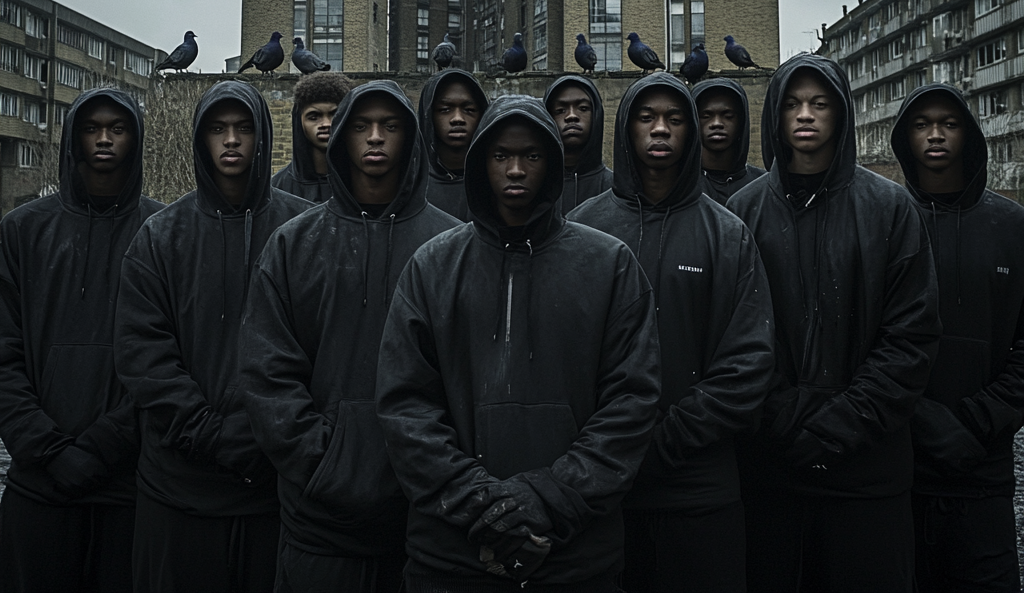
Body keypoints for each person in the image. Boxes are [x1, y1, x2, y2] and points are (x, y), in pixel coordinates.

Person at [376, 95, 661, 591]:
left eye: (530, 156)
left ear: (551, 162)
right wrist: (481, 505)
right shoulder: (432, 266)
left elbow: (631, 404)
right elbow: (406, 407)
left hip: (575, 556)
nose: (514, 170)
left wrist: (547, 498)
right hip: (452, 555)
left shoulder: (609, 265)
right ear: (480, 162)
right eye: (500, 156)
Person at [726, 54, 940, 593]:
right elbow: (732, 340)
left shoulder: (890, 208)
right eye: (793, 104)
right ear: (774, 115)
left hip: (868, 477)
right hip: (773, 474)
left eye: (820, 103)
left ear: (841, 114)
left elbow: (910, 339)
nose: (805, 115)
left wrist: (841, 424)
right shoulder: (741, 212)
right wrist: (784, 418)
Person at [239, 80, 459, 592]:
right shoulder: (293, 244)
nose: (376, 138)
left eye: (391, 126)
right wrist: (326, 467)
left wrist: (434, 473)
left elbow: (469, 377)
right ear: (340, 136)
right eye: (361, 126)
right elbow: (267, 374)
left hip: (426, 517)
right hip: (319, 521)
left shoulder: (452, 246)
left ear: (411, 137)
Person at [568, 74, 774, 593]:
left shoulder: (727, 233)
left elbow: (748, 362)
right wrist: (606, 448)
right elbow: (559, 355)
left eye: (675, 119)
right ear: (625, 127)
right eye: (646, 117)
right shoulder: (581, 228)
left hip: (699, 493)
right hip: (602, 492)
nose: (660, 129)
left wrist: (666, 441)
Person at [114, 80, 311, 593]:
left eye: (243, 128)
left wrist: (269, 433)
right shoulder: (160, 236)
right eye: (218, 129)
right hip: (177, 489)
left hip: (273, 489)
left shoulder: (302, 231)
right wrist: (207, 432)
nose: (231, 140)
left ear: (262, 137)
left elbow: (317, 347)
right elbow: (143, 354)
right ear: (200, 139)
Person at [0, 89, 163, 593]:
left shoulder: (161, 232)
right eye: (92, 128)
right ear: (74, 138)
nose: (104, 139)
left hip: (128, 489)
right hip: (38, 485)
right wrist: (48, 449)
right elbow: (4, 354)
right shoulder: (22, 230)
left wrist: (103, 446)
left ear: (134, 139)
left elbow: (168, 363)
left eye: (118, 128)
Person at [890, 83, 1024, 593]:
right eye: (922, 125)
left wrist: (977, 422)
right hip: (899, 467)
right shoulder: (886, 221)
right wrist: (921, 420)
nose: (936, 135)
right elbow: (866, 343)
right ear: (906, 139)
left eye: (949, 123)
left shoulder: (1011, 225)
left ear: (969, 134)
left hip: (981, 469)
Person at [416, 68, 488, 221]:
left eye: (469, 110)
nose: (457, 118)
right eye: (445, 109)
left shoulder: (495, 182)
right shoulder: (412, 183)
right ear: (429, 115)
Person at [271, 72, 352, 202]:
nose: (326, 124)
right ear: (300, 121)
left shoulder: (363, 184)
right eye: (314, 117)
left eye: (334, 115)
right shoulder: (277, 188)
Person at [543, 75, 613, 213]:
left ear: (596, 115)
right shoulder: (536, 187)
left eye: (583, 108)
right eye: (560, 111)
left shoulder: (615, 189)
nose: (571, 116)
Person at [692, 77, 766, 206]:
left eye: (728, 116)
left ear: (741, 122)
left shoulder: (766, 187)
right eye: (706, 116)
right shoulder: (679, 187)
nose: (717, 124)